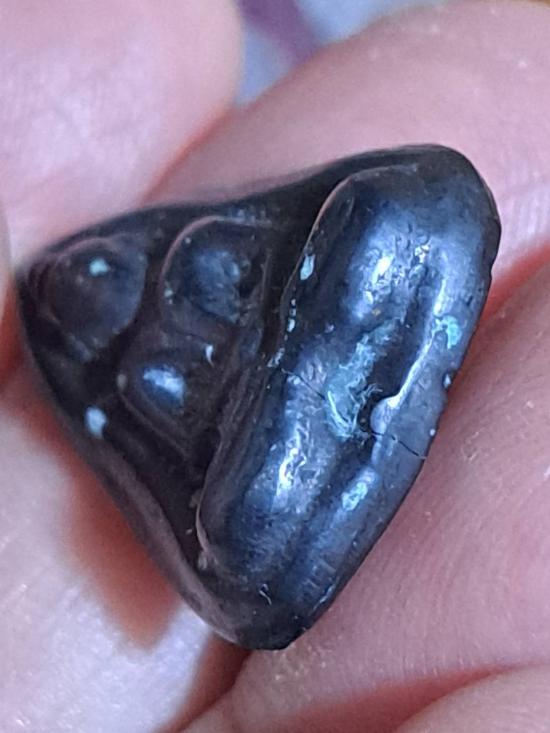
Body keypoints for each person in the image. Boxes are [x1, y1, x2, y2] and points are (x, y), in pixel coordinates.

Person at [1, 1, 549, 731]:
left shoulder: (205, 261)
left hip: (353, 287)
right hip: (266, 468)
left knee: (390, 219)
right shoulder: (144, 374)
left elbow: (405, 210)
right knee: (247, 527)